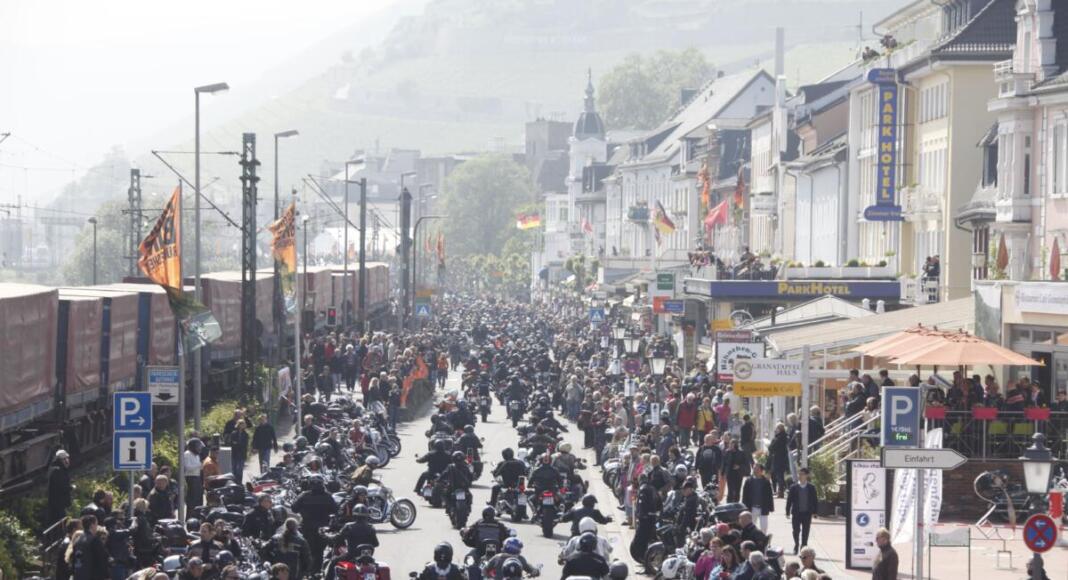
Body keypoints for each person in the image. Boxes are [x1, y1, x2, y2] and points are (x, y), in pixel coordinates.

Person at [291, 475, 338, 572]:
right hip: (322, 529)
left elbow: (294, 508)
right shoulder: (327, 496)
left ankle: (308, 571)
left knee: (308, 550)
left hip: (308, 528)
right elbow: (335, 510)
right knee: (319, 552)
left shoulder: (304, 495)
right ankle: (316, 572)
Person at [629, 473, 660, 568]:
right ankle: (646, 561)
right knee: (647, 538)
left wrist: (641, 516)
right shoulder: (653, 488)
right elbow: (659, 503)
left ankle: (645, 561)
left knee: (641, 539)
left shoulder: (643, 489)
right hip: (653, 518)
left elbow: (641, 504)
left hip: (645, 520)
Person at [786, 468, 819, 553]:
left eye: (802, 474)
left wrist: (815, 512)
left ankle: (804, 546)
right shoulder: (794, 487)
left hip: (807, 513)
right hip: (796, 513)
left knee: (806, 531)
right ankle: (796, 544)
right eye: (799, 474)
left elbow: (815, 500)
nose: (800, 476)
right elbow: (789, 500)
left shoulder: (811, 487)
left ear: (806, 476)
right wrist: (787, 512)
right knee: (796, 530)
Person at [71, 515, 110, 580]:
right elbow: (102, 559)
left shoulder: (78, 540)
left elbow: (73, 560)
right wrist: (106, 576)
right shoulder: (94, 540)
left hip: (79, 575)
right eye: (96, 524)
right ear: (92, 525)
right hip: (91, 575)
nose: (96, 526)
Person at [741, 464, 774, 531]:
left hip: (763, 508)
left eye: (757, 469)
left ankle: (763, 540)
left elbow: (769, 495)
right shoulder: (749, 481)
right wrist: (744, 506)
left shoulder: (766, 482)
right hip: (752, 508)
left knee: (764, 527)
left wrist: (771, 507)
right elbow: (745, 495)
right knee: (751, 527)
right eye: (754, 469)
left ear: (761, 471)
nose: (755, 470)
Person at [48, 449, 73, 525]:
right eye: (64, 459)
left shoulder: (60, 470)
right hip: (57, 504)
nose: (66, 461)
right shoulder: (57, 471)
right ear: (59, 460)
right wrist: (71, 487)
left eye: (67, 458)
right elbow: (62, 487)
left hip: (60, 503)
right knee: (60, 522)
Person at [767, 423, 790, 497]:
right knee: (779, 475)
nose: (775, 430)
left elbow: (772, 447)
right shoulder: (784, 436)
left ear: (779, 429)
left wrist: (771, 446)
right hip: (782, 458)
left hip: (778, 458)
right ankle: (780, 490)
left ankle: (781, 491)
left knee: (779, 476)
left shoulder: (779, 437)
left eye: (777, 428)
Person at [183, 439, 204, 514]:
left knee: (199, 499)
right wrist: (199, 465)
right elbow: (187, 467)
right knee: (192, 500)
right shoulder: (187, 454)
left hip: (197, 477)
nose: (199, 448)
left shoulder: (197, 456)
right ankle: (190, 516)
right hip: (190, 478)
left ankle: (197, 515)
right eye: (197, 447)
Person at [227, 420, 250, 485]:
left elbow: (245, 444)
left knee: (239, 470)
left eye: (243, 424)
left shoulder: (245, 434)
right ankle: (234, 482)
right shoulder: (233, 433)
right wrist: (237, 444)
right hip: (234, 453)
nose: (242, 425)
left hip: (242, 453)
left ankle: (239, 482)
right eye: (241, 424)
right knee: (234, 469)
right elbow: (231, 443)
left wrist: (236, 443)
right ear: (238, 425)